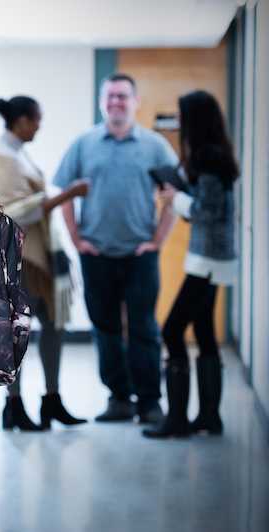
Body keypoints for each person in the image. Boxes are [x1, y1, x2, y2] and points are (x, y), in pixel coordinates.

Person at [53, 73, 179, 424]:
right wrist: (77, 240)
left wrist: (157, 241)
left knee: (144, 328)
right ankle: (119, 398)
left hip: (140, 256)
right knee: (105, 328)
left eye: (123, 97)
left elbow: (174, 196)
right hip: (98, 256)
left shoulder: (155, 146)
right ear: (101, 102)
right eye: (110, 97)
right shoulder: (84, 144)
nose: (116, 103)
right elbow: (64, 194)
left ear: (136, 101)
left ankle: (150, 401)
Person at [0, 96, 89, 431]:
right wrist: (66, 195)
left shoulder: (15, 151)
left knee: (51, 326)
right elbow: (9, 213)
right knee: (19, 331)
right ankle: (15, 404)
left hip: (37, 254)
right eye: (37, 120)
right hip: (22, 258)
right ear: (23, 121)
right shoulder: (1, 155)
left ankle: (50, 399)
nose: (40, 126)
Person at [144, 90, 239, 438]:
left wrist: (176, 198)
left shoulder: (209, 157)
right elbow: (206, 209)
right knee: (202, 333)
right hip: (213, 256)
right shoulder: (214, 156)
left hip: (208, 259)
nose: (179, 124)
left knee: (171, 330)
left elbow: (207, 212)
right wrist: (182, 197)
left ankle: (178, 420)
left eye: (183, 117)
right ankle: (209, 417)